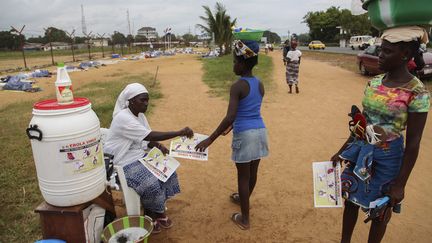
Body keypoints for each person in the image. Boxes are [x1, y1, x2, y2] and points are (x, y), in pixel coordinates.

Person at [331, 26, 430, 243]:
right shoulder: (374, 82)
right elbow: (361, 124)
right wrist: (342, 152)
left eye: (387, 51)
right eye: (381, 50)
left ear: (405, 55)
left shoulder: (417, 91)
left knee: (380, 212)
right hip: (362, 150)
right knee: (350, 200)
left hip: (388, 159)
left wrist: (400, 184)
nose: (380, 55)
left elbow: (413, 143)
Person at [195, 40, 269, 230]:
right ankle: (242, 199)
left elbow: (230, 117)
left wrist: (210, 139)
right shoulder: (259, 84)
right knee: (252, 173)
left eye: (235, 62)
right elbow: (251, 109)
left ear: (242, 64)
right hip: (260, 131)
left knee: (242, 178)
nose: (233, 65)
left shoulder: (237, 86)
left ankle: (245, 219)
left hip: (244, 134)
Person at [104, 83, 194, 234]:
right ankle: (150, 215)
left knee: (168, 173)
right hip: (123, 162)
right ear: (130, 101)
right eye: (142, 100)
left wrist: (158, 146)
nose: (146, 103)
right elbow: (149, 135)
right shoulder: (123, 118)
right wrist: (179, 132)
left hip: (139, 156)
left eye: (147, 100)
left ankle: (157, 211)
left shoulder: (140, 116)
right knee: (150, 183)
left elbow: (145, 138)